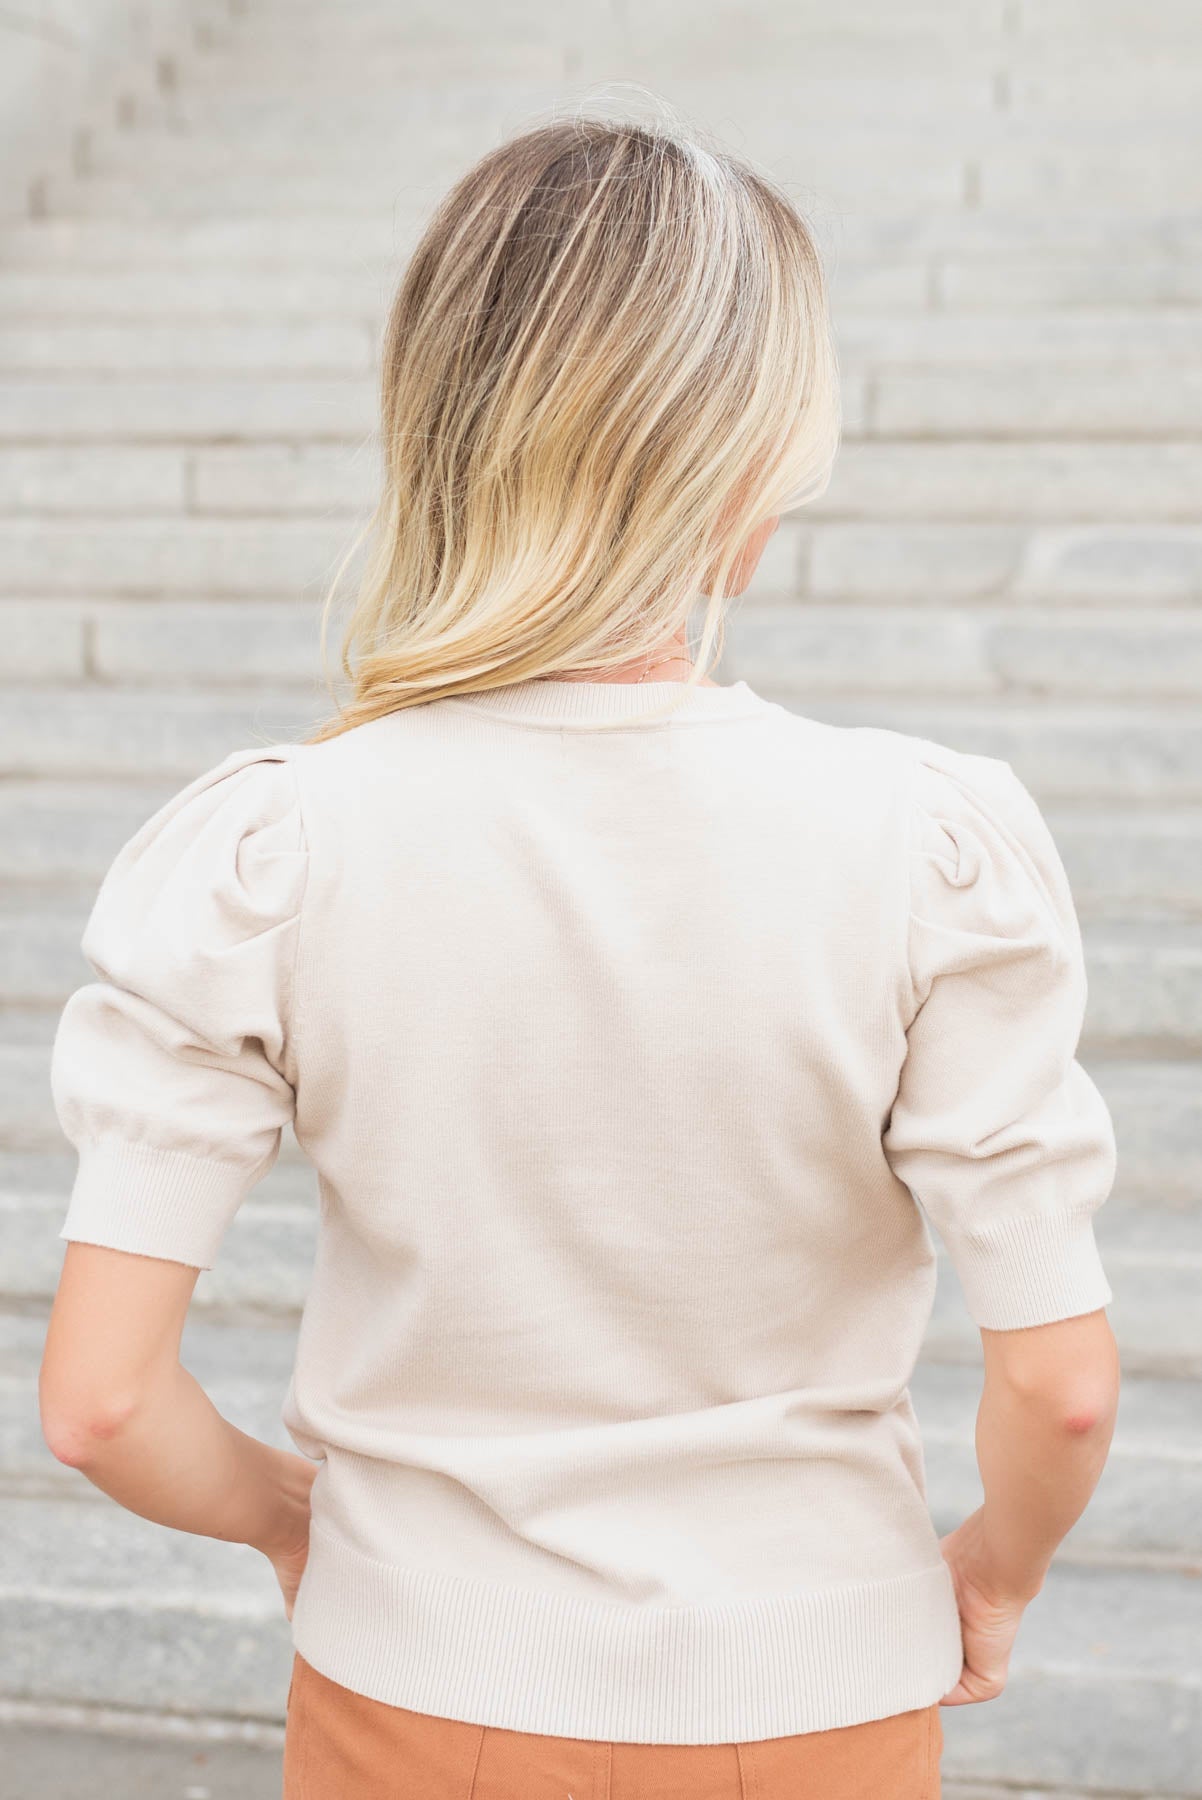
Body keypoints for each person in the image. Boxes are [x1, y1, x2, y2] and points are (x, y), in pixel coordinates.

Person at [39, 110, 1122, 1800]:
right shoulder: (925, 842)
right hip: (821, 1698)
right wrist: (993, 1569)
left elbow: (101, 1404)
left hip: (418, 1694)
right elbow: (1057, 1391)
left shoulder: (276, 848)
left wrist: (282, 1519)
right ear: (753, 458)